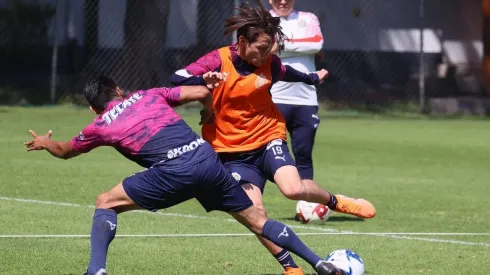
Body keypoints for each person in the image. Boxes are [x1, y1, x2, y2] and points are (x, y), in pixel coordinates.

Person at [23, 76, 346, 275]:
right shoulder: (150, 95)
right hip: (206, 159)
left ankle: (96, 270)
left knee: (105, 202)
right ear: (119, 89)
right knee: (257, 220)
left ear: (95, 108)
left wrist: (45, 142)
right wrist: (209, 112)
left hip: (174, 172)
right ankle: (318, 263)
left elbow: (65, 150)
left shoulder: (101, 124)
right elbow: (203, 91)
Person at [170, 1, 376, 275]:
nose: (266, 54)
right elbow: (177, 77)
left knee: (292, 189)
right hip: (230, 152)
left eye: (270, 48)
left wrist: (312, 78)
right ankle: (291, 268)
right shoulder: (217, 60)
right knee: (256, 216)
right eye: (261, 48)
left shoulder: (269, 62)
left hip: (268, 137)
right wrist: (202, 82)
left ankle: (336, 201)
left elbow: (288, 72)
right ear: (242, 41)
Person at [268, 0, 324, 181]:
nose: (283, 2)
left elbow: (316, 44)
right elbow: (263, 51)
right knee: (265, 153)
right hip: (274, 98)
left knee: (304, 154)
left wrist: (281, 45)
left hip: (306, 100)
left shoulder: (308, 18)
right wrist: (299, 47)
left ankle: (306, 202)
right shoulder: (264, 19)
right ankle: (254, 203)